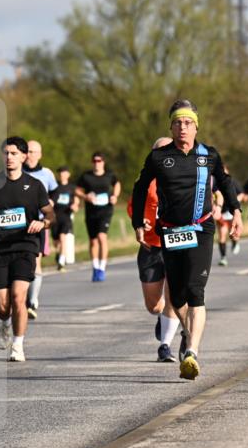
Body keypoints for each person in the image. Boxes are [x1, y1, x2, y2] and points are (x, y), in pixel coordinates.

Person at [131, 99, 242, 380]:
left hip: (201, 229)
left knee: (195, 290)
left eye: (188, 122)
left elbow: (226, 183)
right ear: (171, 126)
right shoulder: (158, 157)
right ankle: (189, 331)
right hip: (169, 230)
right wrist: (137, 224)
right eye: (178, 122)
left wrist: (237, 212)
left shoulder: (208, 155)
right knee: (177, 295)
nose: (183, 127)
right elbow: (141, 188)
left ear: (196, 127)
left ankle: (192, 352)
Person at [0, 136, 52, 362]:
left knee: (18, 297)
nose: (9, 157)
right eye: (6, 153)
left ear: (24, 156)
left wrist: (42, 223)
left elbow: (50, 213)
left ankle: (18, 345)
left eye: (14, 153)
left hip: (25, 246)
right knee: (2, 306)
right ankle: (6, 323)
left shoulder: (35, 186)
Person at [127, 137, 181, 362]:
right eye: (159, 151)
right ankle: (161, 319)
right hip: (151, 246)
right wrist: (141, 221)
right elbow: (133, 208)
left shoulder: (182, 178)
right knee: (153, 305)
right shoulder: (145, 181)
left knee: (173, 296)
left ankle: (165, 345)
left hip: (177, 243)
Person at [23, 139, 57, 318]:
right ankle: (21, 297)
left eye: (33, 151)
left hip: (39, 223)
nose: (30, 155)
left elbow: (55, 192)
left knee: (36, 260)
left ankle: (32, 301)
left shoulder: (46, 173)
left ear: (39, 154)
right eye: (27, 151)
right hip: (19, 223)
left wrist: (50, 202)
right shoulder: (16, 172)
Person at [77, 152, 121, 281]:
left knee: (102, 236)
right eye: (95, 161)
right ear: (92, 162)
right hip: (91, 212)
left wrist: (115, 196)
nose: (97, 163)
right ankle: (95, 267)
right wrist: (85, 196)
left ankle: (102, 268)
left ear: (103, 162)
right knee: (93, 241)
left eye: (99, 161)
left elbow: (117, 184)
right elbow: (77, 190)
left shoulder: (109, 175)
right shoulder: (86, 176)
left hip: (106, 210)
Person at [50, 165, 79, 271]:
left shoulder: (72, 188)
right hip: (55, 216)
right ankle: (59, 254)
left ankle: (61, 262)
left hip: (66, 216)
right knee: (56, 242)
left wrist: (75, 206)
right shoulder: (54, 187)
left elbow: (76, 200)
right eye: (60, 173)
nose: (62, 175)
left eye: (64, 173)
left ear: (68, 175)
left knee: (63, 238)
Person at [215, 165, 242, 266]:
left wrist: (234, 201)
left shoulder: (232, 181)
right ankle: (223, 258)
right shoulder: (215, 182)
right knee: (222, 235)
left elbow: (241, 194)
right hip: (221, 213)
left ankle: (235, 242)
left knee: (233, 234)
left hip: (231, 212)